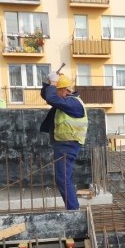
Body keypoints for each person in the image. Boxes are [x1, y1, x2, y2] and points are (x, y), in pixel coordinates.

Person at [40, 73, 87, 211]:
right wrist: (49, 83)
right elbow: (47, 96)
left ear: (64, 90)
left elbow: (51, 97)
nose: (55, 93)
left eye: (57, 89)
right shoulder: (66, 102)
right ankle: (73, 208)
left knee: (63, 179)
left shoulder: (73, 103)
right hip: (64, 145)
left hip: (68, 145)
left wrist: (53, 83)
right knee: (64, 178)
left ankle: (73, 210)